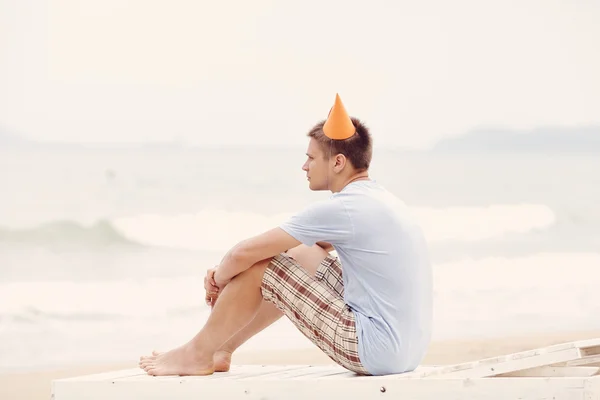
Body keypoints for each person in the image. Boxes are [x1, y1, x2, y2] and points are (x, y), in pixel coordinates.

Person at [139, 94, 432, 377]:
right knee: (302, 252)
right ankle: (221, 349)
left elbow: (243, 254)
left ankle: (197, 353)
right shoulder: (378, 199)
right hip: (406, 350)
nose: (304, 166)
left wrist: (218, 279)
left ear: (338, 163)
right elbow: (312, 248)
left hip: (375, 350)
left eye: (311, 158)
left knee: (265, 265)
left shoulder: (345, 208)